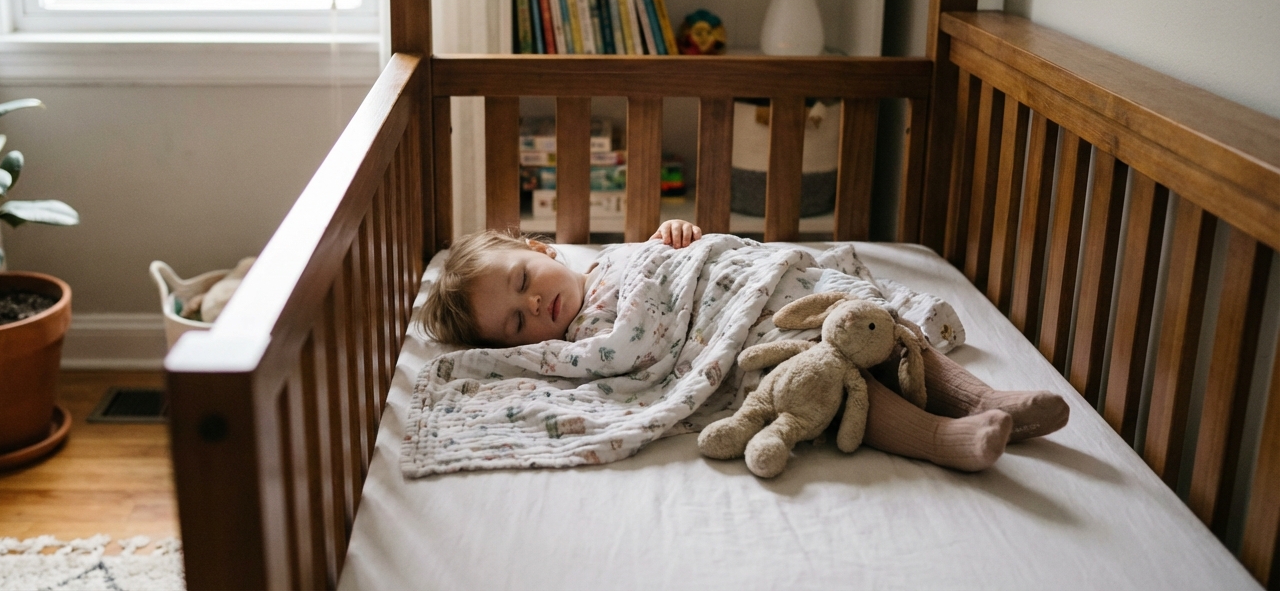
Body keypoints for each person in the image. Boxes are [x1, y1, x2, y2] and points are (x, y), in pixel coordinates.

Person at [416, 219, 1067, 472]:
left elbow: (700, 256)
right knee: (832, 384)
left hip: (770, 294)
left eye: (523, 282)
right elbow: (621, 363)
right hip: (750, 347)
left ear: (540, 249)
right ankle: (944, 441)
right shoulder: (584, 339)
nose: (533, 306)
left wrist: (677, 232)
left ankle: (989, 398)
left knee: (872, 330)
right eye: (516, 324)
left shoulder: (625, 254)